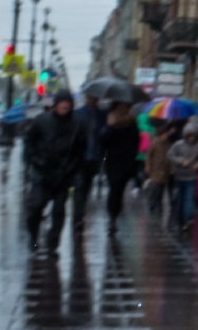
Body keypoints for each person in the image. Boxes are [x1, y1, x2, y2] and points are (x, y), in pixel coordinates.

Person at [23, 89, 85, 252]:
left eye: (67, 104)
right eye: (61, 103)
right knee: (35, 208)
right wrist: (34, 159)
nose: (64, 106)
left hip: (63, 177)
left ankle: (53, 245)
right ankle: (33, 237)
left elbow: (80, 150)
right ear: (56, 104)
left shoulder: (77, 125)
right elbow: (29, 140)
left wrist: (71, 168)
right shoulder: (42, 121)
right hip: (42, 173)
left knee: (58, 212)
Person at [71, 89, 106, 232]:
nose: (94, 99)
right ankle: (77, 218)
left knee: (86, 187)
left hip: (94, 157)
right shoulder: (78, 113)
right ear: (87, 97)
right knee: (79, 187)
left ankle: (80, 213)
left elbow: (104, 135)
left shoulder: (102, 114)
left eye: (96, 96)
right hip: (80, 157)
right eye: (91, 96)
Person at [99, 103, 139, 228]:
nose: (123, 109)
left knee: (119, 191)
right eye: (120, 106)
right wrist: (110, 127)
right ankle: (112, 218)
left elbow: (136, 140)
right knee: (114, 190)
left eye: (125, 106)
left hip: (127, 162)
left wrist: (132, 155)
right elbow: (103, 141)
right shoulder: (110, 120)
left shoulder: (132, 121)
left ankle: (115, 214)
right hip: (113, 162)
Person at [168, 123, 198, 231]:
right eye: (189, 135)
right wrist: (181, 161)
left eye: (193, 135)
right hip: (179, 176)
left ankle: (189, 218)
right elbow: (170, 155)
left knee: (189, 198)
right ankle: (180, 218)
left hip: (192, 176)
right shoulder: (178, 145)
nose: (192, 138)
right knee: (180, 198)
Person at [144, 122, 173, 214]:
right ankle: (152, 204)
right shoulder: (154, 143)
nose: (166, 136)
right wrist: (148, 166)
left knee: (161, 188)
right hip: (155, 169)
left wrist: (171, 169)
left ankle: (158, 204)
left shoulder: (169, 144)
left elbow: (171, 157)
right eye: (165, 134)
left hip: (165, 170)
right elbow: (148, 156)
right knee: (155, 188)